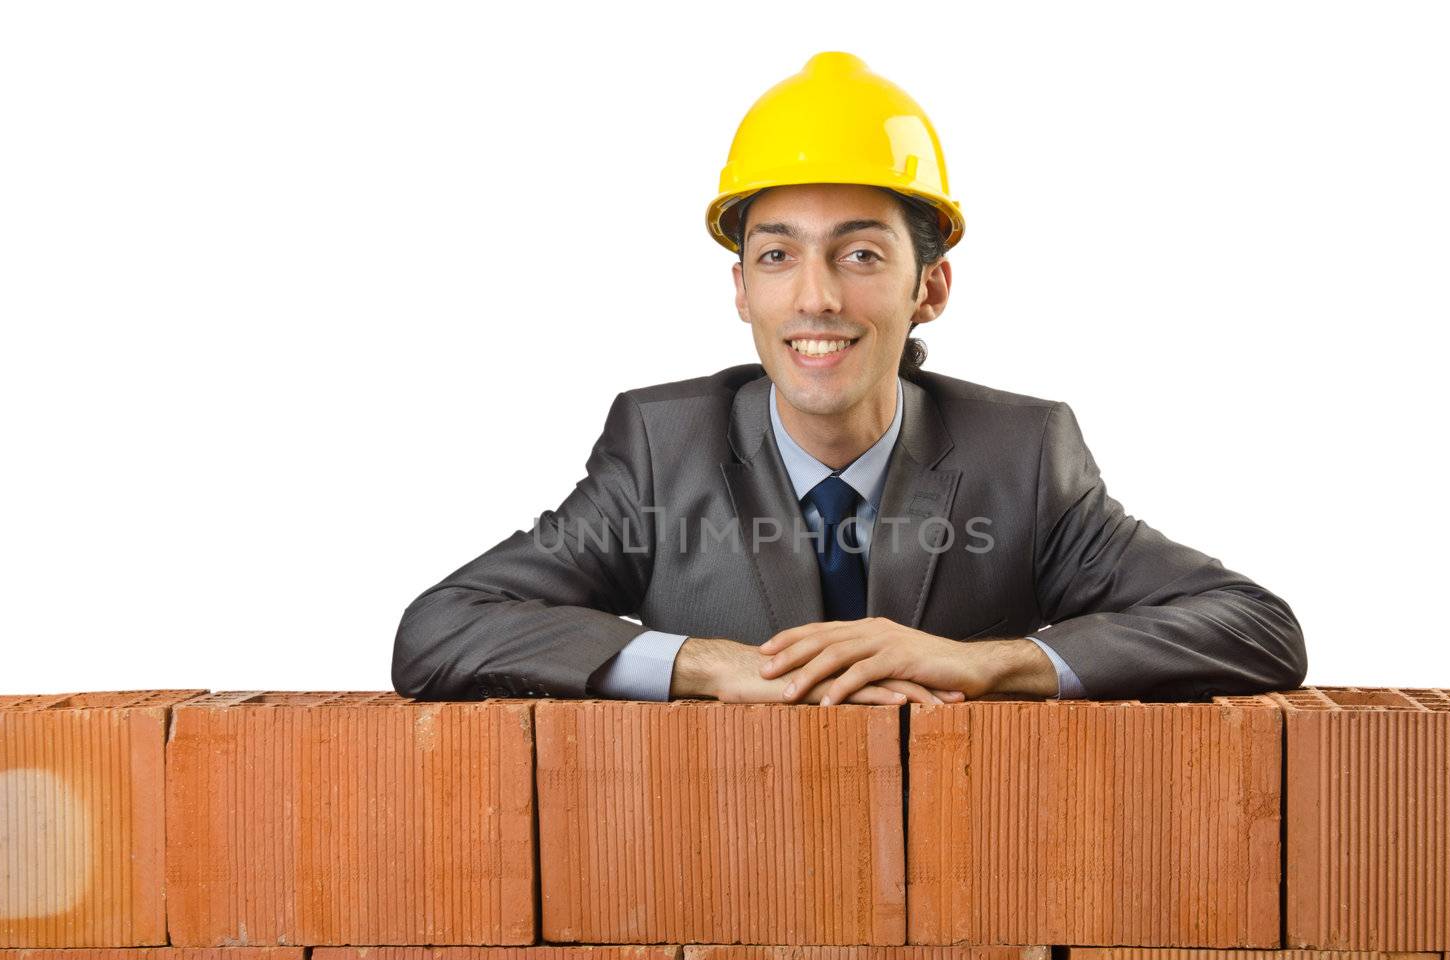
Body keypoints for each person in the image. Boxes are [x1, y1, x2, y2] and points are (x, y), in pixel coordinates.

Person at [391, 51, 1306, 706]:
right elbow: (440, 630)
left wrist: (989, 663)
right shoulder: (662, 450)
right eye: (779, 255)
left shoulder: (1020, 456)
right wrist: (705, 665)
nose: (816, 298)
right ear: (742, 290)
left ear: (930, 288)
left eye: (861, 254)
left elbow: (1254, 626)